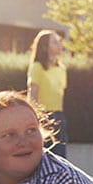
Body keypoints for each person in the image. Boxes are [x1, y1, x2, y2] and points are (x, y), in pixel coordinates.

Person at [25, 29, 70, 158]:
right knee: (40, 158)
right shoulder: (37, 67)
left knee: (60, 159)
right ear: (45, 46)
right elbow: (32, 96)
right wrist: (33, 121)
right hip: (42, 117)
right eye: (55, 42)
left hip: (59, 118)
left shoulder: (62, 69)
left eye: (59, 42)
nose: (59, 45)